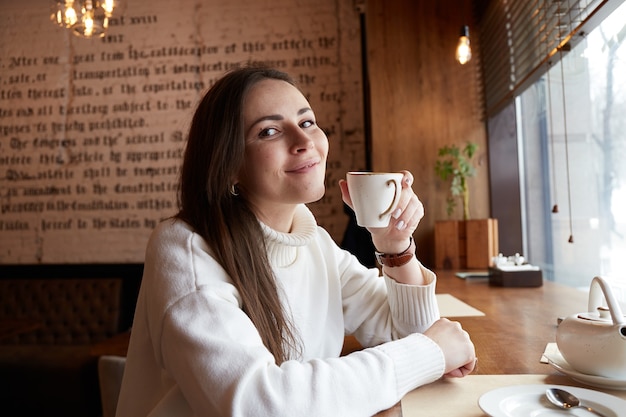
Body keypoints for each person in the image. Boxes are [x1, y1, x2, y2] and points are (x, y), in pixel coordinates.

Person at [116, 66, 476, 417]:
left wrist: (395, 247)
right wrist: (430, 353)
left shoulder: (313, 242)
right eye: (269, 131)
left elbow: (413, 335)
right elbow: (257, 404)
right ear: (227, 164)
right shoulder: (187, 247)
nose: (305, 142)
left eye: (307, 122)